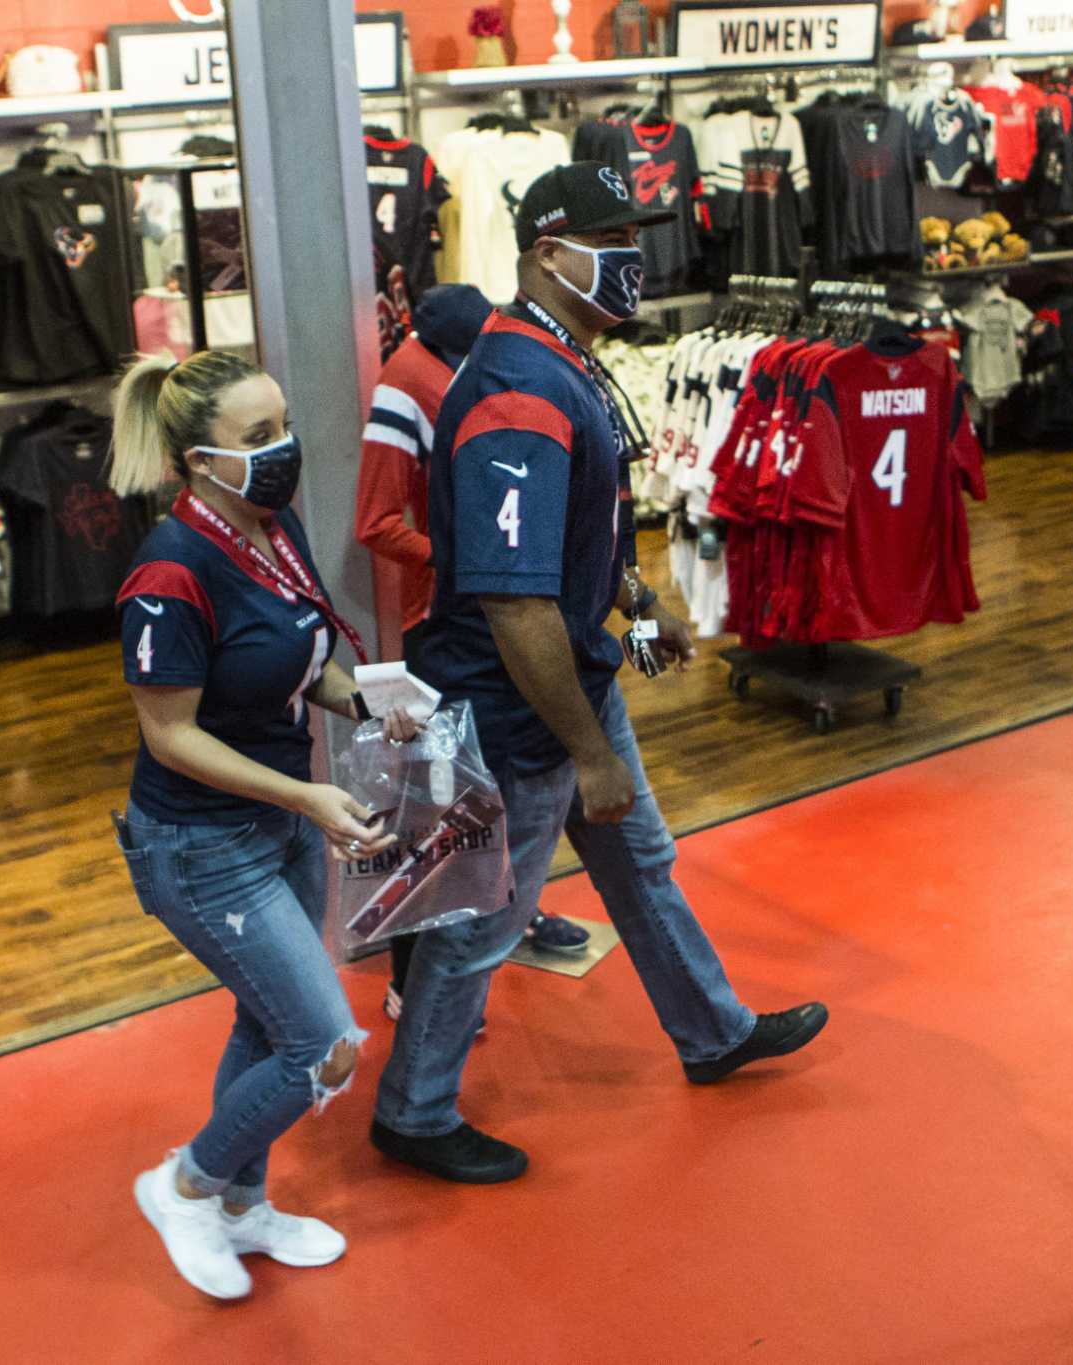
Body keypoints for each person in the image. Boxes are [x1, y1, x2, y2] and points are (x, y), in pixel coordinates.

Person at [369, 163, 830, 1185]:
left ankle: (711, 1033)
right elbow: (512, 599)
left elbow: (568, 538)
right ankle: (412, 1111)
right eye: (611, 239)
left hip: (568, 684)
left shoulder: (558, 362)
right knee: (486, 923)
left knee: (641, 870)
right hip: (518, 710)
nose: (634, 260)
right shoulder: (517, 396)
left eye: (635, 234)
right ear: (544, 254)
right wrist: (586, 748)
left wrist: (632, 596)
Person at [109, 348, 417, 1301]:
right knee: (324, 1042)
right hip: (202, 847)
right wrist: (309, 796)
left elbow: (302, 659)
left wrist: (373, 704)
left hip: (276, 827)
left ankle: (242, 1206)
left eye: (283, 425)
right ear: (200, 461)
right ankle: (186, 1183)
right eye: (257, 438)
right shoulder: (169, 572)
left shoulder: (267, 529)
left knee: (266, 1019)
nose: (284, 449)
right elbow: (170, 736)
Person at [355, 284, 593, 1026]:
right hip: (444, 623)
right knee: (438, 812)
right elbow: (375, 520)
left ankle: (517, 912)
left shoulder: (486, 370)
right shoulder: (403, 385)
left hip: (496, 616)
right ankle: (407, 979)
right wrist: (467, 564)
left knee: (509, 792)